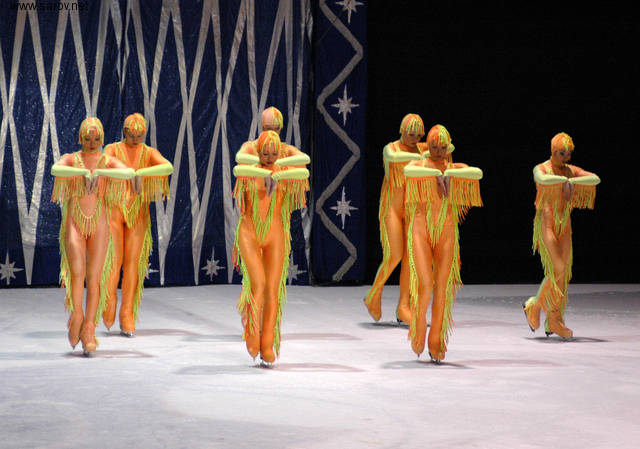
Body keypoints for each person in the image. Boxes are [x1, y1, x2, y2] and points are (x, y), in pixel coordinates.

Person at [51, 117, 134, 355]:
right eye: (87, 139)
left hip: (99, 224)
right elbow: (55, 169)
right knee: (77, 273)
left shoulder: (106, 161)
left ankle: (89, 328)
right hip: (74, 223)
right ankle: (77, 315)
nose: (92, 143)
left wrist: (98, 171)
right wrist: (84, 173)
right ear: (80, 138)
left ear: (102, 139)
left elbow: (128, 172)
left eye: (96, 139)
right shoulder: (72, 159)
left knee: (95, 278)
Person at [403, 124, 482, 362]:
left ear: (449, 148)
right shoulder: (419, 165)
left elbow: (476, 172)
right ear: (428, 146)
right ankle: (418, 323)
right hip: (420, 230)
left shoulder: (454, 169)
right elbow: (407, 170)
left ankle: (436, 337)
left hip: (446, 232)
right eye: (434, 147)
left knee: (443, 288)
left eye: (442, 148)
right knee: (425, 283)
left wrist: (447, 174)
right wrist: (436, 175)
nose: (438, 152)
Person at [232, 130, 309, 365]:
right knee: (258, 285)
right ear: (258, 151)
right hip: (249, 233)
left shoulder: (284, 171)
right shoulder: (248, 168)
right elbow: (239, 164)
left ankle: (267, 341)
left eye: (274, 154)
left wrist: (278, 169)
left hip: (275, 235)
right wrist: (264, 171)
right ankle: (252, 332)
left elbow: (304, 164)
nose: (269, 157)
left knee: (273, 291)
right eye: (265, 153)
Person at [102, 113, 173, 337]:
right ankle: (109, 301)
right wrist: (129, 173)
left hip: (138, 215)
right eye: (131, 135)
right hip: (114, 211)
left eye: (139, 135)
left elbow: (167, 167)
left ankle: (127, 314)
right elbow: (104, 163)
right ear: (124, 132)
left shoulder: (148, 152)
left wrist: (142, 172)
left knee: (132, 265)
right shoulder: (113, 149)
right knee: (114, 262)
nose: (135, 139)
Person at [523, 132, 600, 338]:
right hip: (546, 224)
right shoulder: (542, 168)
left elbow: (595, 178)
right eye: (562, 153)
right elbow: (542, 179)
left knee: (563, 274)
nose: (566, 157)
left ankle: (554, 319)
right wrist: (566, 181)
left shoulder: (570, 171)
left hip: (564, 226)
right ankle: (535, 306)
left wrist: (570, 180)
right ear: (552, 151)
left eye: (569, 153)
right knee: (557, 268)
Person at [364, 114, 428, 324]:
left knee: (411, 258)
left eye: (418, 136)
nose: (414, 139)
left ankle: (403, 306)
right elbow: (394, 158)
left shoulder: (422, 149)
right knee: (395, 254)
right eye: (411, 134)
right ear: (402, 130)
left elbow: (447, 147)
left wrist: (434, 145)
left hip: (413, 209)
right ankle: (374, 292)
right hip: (392, 209)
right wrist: (423, 157)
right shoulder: (390, 148)